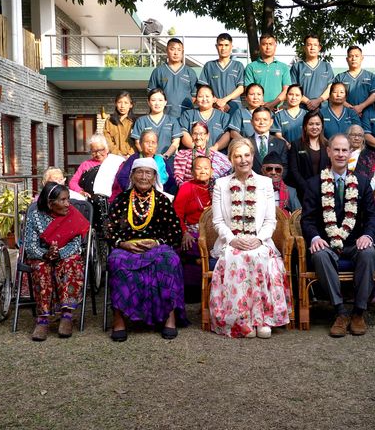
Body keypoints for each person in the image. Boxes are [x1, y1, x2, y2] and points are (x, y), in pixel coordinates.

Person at [209, 139, 290, 338]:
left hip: (259, 240)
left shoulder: (265, 183)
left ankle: (262, 319)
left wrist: (259, 239)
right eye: (238, 156)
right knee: (236, 257)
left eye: (247, 155)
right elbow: (218, 222)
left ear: (253, 157)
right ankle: (241, 320)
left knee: (261, 256)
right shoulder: (221, 184)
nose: (243, 160)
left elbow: (271, 221)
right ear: (231, 159)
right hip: (231, 241)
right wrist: (232, 239)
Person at [300, 134, 375, 337]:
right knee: (319, 255)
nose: (340, 154)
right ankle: (341, 312)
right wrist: (315, 238)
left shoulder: (362, 182)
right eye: (336, 149)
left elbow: (371, 216)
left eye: (344, 150)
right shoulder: (314, 183)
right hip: (326, 243)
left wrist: (368, 236)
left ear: (350, 152)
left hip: (354, 244)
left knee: (369, 253)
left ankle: (359, 312)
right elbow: (307, 220)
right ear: (328, 152)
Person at [106, 158, 188, 341]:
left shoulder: (162, 201)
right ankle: (119, 319)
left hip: (156, 247)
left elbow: (175, 232)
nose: (143, 176)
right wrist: (122, 244)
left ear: (154, 177)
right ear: (132, 175)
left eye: (148, 173)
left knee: (170, 260)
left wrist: (157, 243)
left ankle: (169, 317)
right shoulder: (121, 200)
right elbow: (108, 229)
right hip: (127, 247)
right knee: (116, 261)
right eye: (139, 172)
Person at [23, 182, 90, 340]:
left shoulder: (72, 215)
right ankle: (43, 319)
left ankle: (67, 315)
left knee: (71, 262)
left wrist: (59, 254)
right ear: (50, 203)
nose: (68, 204)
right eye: (63, 200)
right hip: (41, 255)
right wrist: (46, 254)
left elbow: (75, 244)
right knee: (40, 267)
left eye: (68, 199)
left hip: (64, 255)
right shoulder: (35, 216)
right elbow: (30, 245)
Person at [173, 156, 214, 287]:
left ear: (212, 171)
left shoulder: (217, 186)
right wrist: (185, 233)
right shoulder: (186, 187)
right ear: (191, 171)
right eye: (198, 168)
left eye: (206, 168)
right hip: (193, 231)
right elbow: (176, 214)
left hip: (215, 230)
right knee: (193, 244)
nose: (203, 171)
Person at [111, 129, 169, 202]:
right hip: (135, 196)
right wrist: (134, 190)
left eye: (153, 142)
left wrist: (159, 192)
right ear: (140, 144)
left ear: (157, 145)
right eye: (147, 142)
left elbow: (170, 181)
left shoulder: (161, 160)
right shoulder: (134, 159)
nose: (150, 145)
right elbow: (122, 177)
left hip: (158, 197)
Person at [146, 38, 197, 118]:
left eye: (179, 50)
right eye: (172, 49)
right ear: (167, 51)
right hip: (164, 116)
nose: (176, 53)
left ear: (182, 52)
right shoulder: (158, 71)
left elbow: (194, 96)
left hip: (185, 116)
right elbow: (151, 94)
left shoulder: (190, 72)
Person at [287, 110, 330, 201]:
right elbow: (294, 170)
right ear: (305, 126)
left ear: (322, 126)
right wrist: (307, 188)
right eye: (311, 124)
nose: (314, 127)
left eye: (317, 124)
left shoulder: (328, 145)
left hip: (324, 192)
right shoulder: (296, 145)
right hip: (303, 192)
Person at [197, 33, 245, 114]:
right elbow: (203, 87)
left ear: (231, 46)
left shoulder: (238, 65)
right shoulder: (209, 66)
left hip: (234, 107)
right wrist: (216, 101)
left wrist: (224, 100)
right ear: (216, 46)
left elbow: (241, 88)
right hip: (214, 106)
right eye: (220, 45)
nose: (223, 48)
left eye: (226, 45)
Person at [172, 122, 231, 186]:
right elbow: (179, 178)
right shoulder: (182, 155)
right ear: (191, 135)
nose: (198, 137)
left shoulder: (219, 157)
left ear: (207, 136)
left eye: (201, 134)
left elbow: (223, 179)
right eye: (195, 134)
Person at [131, 88, 182, 162]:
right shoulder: (141, 121)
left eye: (160, 100)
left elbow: (176, 142)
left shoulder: (172, 121)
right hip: (146, 161)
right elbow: (137, 142)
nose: (157, 103)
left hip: (168, 161)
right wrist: (148, 157)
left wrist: (165, 156)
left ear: (165, 102)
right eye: (153, 100)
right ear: (148, 102)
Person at [244, 33, 291, 110]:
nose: (268, 47)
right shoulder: (251, 67)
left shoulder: (283, 67)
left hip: (278, 110)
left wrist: (272, 104)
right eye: (264, 44)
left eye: (270, 44)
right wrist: (262, 105)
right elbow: (248, 90)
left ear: (275, 47)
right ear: (259, 47)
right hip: (257, 110)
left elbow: (286, 90)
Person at [179, 85, 232, 151]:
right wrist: (198, 149)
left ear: (213, 99)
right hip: (193, 154)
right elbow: (184, 133)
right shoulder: (188, 114)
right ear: (196, 98)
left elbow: (227, 135)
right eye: (200, 96)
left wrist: (213, 149)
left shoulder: (224, 116)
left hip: (217, 155)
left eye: (207, 96)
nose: (204, 99)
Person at [291, 34, 333, 111]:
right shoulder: (297, 67)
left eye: (315, 45)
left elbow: (330, 87)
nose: (312, 47)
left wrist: (318, 100)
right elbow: (293, 89)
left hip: (323, 109)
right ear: (304, 48)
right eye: (309, 45)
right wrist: (308, 102)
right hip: (302, 109)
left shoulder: (326, 66)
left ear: (319, 48)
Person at [333, 45, 375, 116]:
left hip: (367, 115)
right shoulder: (340, 77)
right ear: (347, 59)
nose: (353, 58)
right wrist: (351, 108)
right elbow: (334, 95)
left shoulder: (371, 76)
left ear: (362, 58)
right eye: (351, 56)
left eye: (357, 56)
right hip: (345, 115)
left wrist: (361, 107)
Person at [249, 106, 288, 175]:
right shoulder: (245, 143)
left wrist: (274, 181)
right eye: (257, 120)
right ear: (251, 122)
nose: (261, 122)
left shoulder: (281, 144)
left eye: (265, 119)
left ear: (271, 122)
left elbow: (284, 167)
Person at [103, 91, 137, 157]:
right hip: (114, 157)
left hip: (132, 157)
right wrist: (118, 154)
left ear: (131, 105)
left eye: (126, 103)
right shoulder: (109, 121)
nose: (122, 106)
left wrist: (129, 154)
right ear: (116, 104)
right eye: (119, 102)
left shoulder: (136, 121)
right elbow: (107, 140)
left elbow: (138, 141)